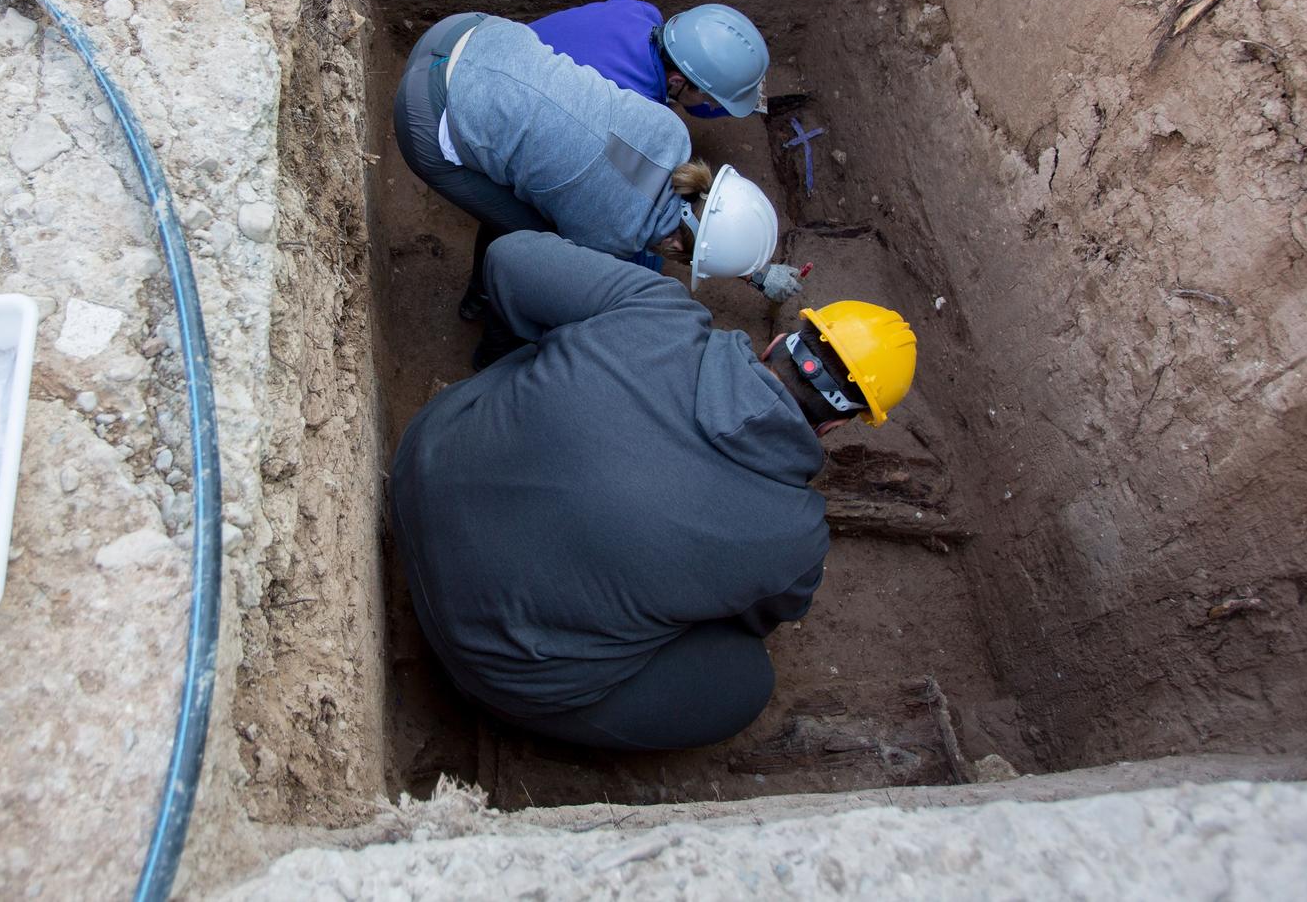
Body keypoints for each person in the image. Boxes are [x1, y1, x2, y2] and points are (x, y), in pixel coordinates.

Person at [389, 230, 919, 752]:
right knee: (745, 683)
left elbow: (509, 258)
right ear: (835, 428)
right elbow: (758, 619)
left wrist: (548, 354)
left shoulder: (655, 309)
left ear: (779, 343)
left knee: (559, 344)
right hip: (486, 656)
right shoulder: (794, 537)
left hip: (423, 477)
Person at [392, 11, 802, 363]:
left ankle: (479, 295)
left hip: (465, 32)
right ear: (677, 248)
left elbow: (677, 210)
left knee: (532, 193)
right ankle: (493, 341)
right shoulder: (610, 235)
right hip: (425, 115)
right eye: (688, 264)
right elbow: (572, 250)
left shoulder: (671, 131)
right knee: (529, 248)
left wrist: (752, 269)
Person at [528, 0, 769, 119]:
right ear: (676, 81)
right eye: (711, 98)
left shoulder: (642, 11)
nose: (713, 104)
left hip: (513, 42)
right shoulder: (632, 106)